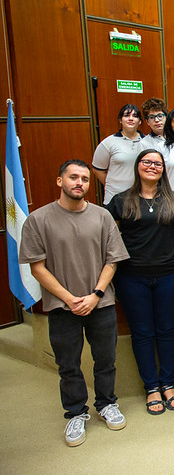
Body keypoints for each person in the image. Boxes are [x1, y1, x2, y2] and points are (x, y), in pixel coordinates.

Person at [19, 160, 130, 447]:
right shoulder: (38, 220)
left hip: (101, 302)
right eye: (73, 177)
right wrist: (69, 299)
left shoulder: (103, 216)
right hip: (61, 307)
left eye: (84, 178)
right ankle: (76, 413)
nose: (79, 182)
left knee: (105, 359)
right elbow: (37, 268)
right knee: (68, 364)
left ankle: (106, 403)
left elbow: (113, 260)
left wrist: (94, 294)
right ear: (60, 181)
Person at [106, 150, 174, 415]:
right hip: (132, 277)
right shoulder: (120, 201)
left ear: (164, 169)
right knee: (142, 333)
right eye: (147, 162)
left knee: (167, 330)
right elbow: (107, 240)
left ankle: (169, 383)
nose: (152, 167)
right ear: (137, 166)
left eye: (158, 163)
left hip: (171, 274)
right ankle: (151, 387)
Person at [92, 103, 145, 205]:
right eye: (126, 115)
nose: (131, 119)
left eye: (135, 116)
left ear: (140, 121)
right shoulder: (108, 142)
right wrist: (113, 185)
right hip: (114, 197)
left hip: (140, 198)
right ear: (120, 120)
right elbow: (97, 169)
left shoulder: (147, 142)